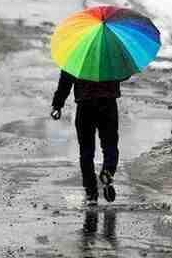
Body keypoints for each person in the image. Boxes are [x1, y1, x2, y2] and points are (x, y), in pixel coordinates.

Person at [51, 70, 120, 205]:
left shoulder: (77, 56)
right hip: (108, 105)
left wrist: (57, 105)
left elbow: (65, 80)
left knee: (86, 151)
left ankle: (91, 192)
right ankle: (108, 171)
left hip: (85, 106)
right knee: (110, 145)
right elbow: (123, 74)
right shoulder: (111, 55)